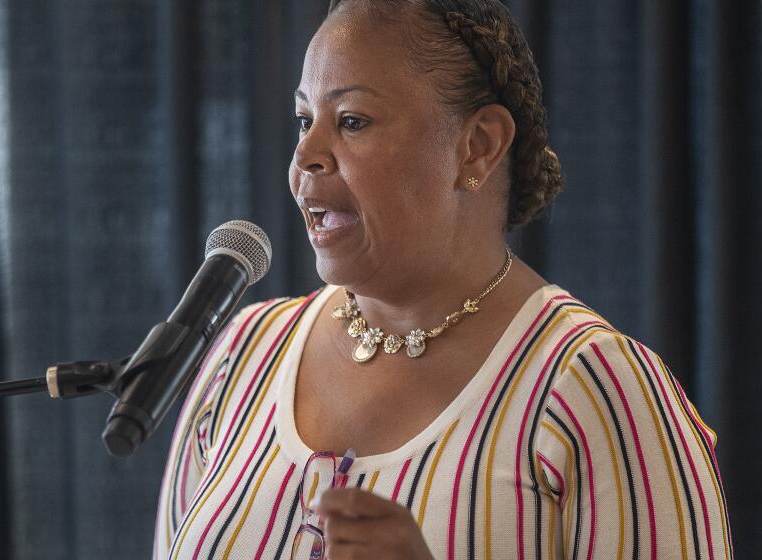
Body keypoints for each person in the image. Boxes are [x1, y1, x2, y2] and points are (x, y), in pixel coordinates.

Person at [153, 0, 733, 558]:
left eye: (352, 121)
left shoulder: (598, 391)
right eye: (305, 120)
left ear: (477, 147)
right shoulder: (243, 357)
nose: (306, 153)